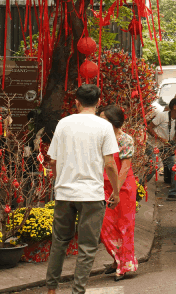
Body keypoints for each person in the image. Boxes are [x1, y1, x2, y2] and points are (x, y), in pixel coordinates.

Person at [46, 84, 120, 294]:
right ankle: (77, 291)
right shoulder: (104, 127)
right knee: (87, 248)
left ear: (76, 102)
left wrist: (59, 181)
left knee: (59, 242)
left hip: (65, 193)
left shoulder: (63, 124)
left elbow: (53, 160)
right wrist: (115, 191)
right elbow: (110, 164)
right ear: (98, 103)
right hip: (92, 194)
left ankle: (51, 289)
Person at [98, 105, 138, 281]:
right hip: (102, 187)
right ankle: (117, 258)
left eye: (103, 119)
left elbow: (124, 168)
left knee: (124, 226)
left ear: (114, 121)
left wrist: (115, 190)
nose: (100, 122)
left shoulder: (125, 139)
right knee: (105, 225)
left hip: (123, 188)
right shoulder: (99, 138)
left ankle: (124, 266)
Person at [147, 96, 176, 200]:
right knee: (154, 167)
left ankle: (173, 193)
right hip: (153, 145)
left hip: (166, 147)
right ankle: (139, 187)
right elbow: (149, 127)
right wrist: (160, 138)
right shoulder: (162, 116)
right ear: (174, 107)